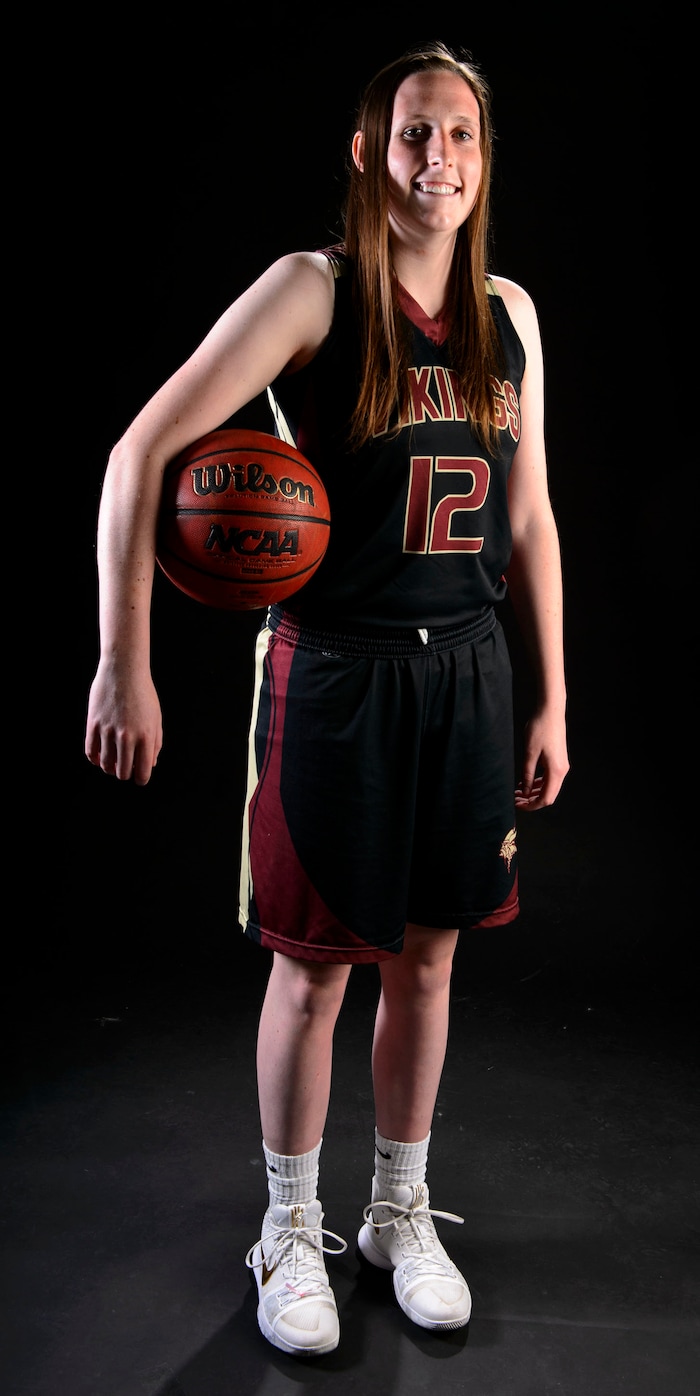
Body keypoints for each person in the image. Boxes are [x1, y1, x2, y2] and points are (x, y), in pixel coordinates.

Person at [85, 41, 569, 1358]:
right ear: (372, 153)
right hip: (337, 669)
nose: (439, 160)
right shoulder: (312, 292)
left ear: (484, 155)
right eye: (415, 135)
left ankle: (397, 1210)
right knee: (315, 973)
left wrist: (553, 700)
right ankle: (289, 1228)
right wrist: (120, 660)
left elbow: (528, 522)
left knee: (429, 956)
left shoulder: (509, 317)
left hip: (470, 672)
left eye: (461, 135)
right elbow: (141, 457)